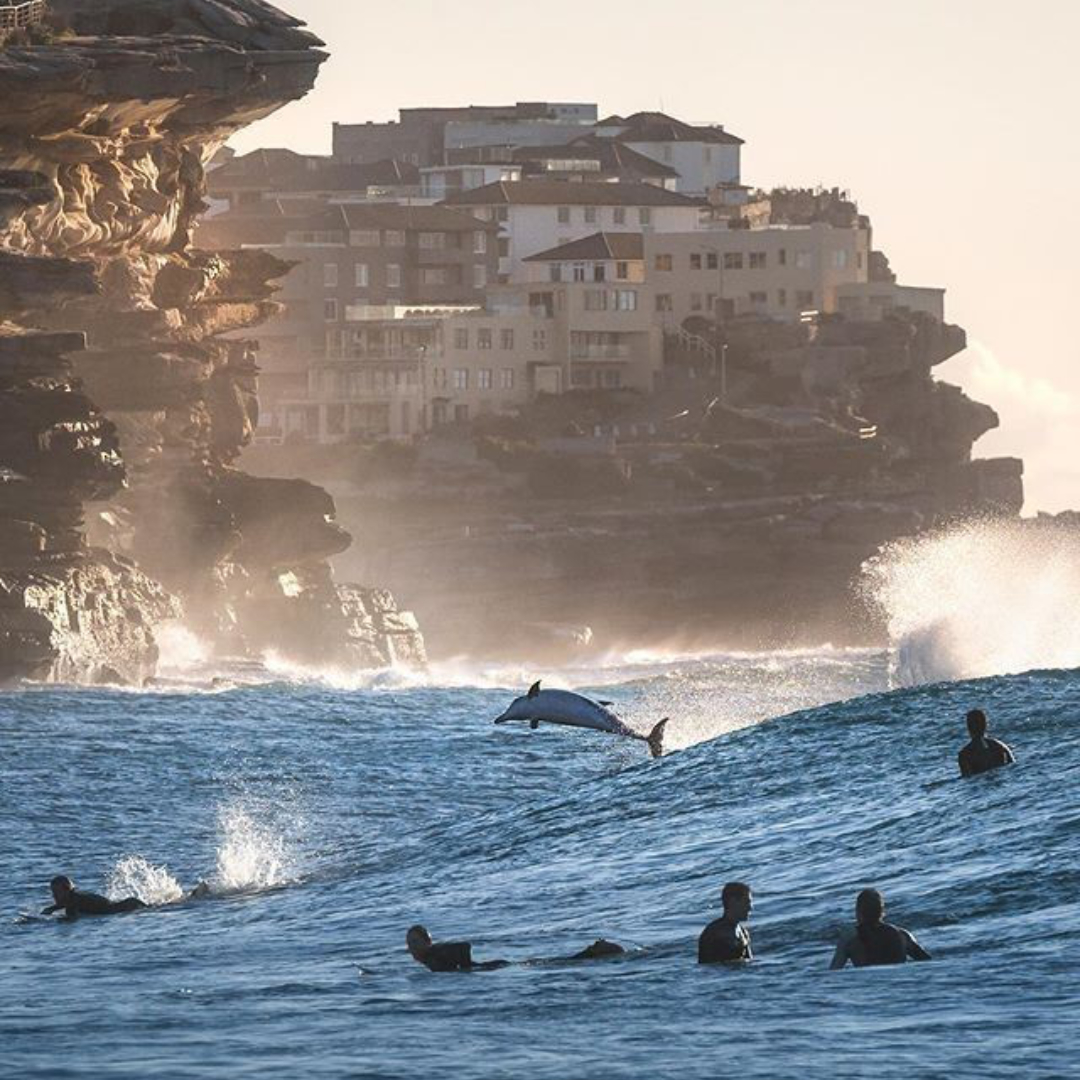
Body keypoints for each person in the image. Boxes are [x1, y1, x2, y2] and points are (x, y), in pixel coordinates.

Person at [830, 888, 931, 969]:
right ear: (882, 911)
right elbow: (928, 964)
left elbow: (834, 972)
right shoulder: (902, 935)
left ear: (858, 911)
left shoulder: (850, 937)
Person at [406, 925, 510, 972]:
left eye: (415, 942)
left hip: (486, 968)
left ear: (428, 942)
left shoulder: (432, 959)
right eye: (409, 943)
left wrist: (466, 968)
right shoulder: (430, 958)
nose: (412, 947)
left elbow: (464, 945)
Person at [41, 875, 147, 919]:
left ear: (66, 890)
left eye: (56, 892)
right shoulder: (72, 897)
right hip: (122, 904)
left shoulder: (74, 901)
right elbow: (61, 906)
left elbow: (70, 917)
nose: (53, 895)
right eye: (52, 892)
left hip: (121, 908)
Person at [697, 881, 753, 963]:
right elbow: (706, 966)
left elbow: (750, 961)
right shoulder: (714, 933)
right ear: (733, 901)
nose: (750, 907)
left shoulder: (743, 932)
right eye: (747, 902)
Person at [958, 709, 1015, 777]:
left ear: (968, 727)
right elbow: (1013, 766)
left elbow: (966, 777)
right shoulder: (999, 745)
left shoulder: (965, 754)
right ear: (986, 725)